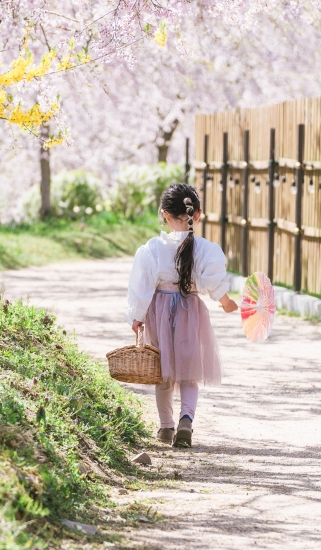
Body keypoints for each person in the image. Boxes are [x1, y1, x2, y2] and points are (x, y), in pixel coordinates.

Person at [125, 183, 238, 447]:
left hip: (159, 312)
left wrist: (136, 316)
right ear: (197, 215)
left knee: (163, 372)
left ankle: (166, 427)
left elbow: (141, 286)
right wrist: (227, 302)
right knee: (189, 371)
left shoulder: (152, 249)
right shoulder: (206, 249)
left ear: (164, 214)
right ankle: (186, 420)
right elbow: (213, 282)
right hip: (191, 311)